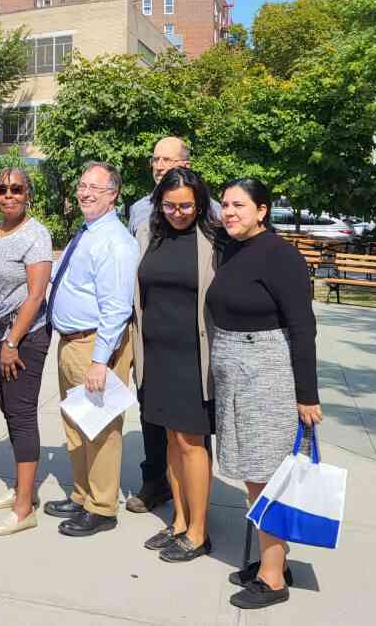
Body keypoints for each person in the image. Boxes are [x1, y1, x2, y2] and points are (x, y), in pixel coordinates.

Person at [206, 177, 321, 610]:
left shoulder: (280, 256)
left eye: (239, 205)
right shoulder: (233, 247)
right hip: (235, 369)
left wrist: (307, 395)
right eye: (225, 205)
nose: (229, 212)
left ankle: (273, 577)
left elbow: (303, 327)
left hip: (267, 371)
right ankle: (275, 558)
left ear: (263, 210)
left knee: (265, 474)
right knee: (251, 471)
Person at [125, 137, 221, 514]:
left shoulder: (212, 217)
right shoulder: (139, 213)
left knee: (191, 438)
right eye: (155, 159)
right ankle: (160, 490)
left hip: (192, 348)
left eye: (168, 159)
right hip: (155, 345)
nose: (160, 165)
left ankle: (197, 517)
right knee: (159, 427)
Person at [43, 162, 138, 538]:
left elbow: (116, 306)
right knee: (76, 424)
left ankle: (101, 508)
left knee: (100, 429)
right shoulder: (89, 232)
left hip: (95, 345)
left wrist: (100, 361)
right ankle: (82, 494)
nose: (85, 193)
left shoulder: (114, 241)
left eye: (94, 188)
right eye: (82, 185)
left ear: (113, 194)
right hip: (71, 342)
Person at [0, 167, 53, 537]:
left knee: (21, 415)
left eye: (16, 189)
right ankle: (23, 489)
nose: (9, 195)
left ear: (27, 194)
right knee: (8, 410)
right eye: (2, 189)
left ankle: (24, 509)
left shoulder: (36, 235)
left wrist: (11, 342)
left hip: (22, 341)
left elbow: (36, 295)